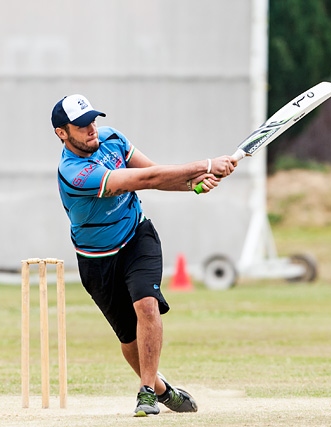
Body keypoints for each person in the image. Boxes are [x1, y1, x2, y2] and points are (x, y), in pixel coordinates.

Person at [51, 94, 237, 416]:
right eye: (81, 126)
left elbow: (155, 173)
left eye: (92, 120)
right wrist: (206, 165)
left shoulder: (113, 139)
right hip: (96, 259)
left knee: (146, 306)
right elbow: (146, 180)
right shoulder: (75, 173)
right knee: (127, 337)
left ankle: (147, 392)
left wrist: (193, 183)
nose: (91, 128)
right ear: (62, 133)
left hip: (137, 235)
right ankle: (164, 390)